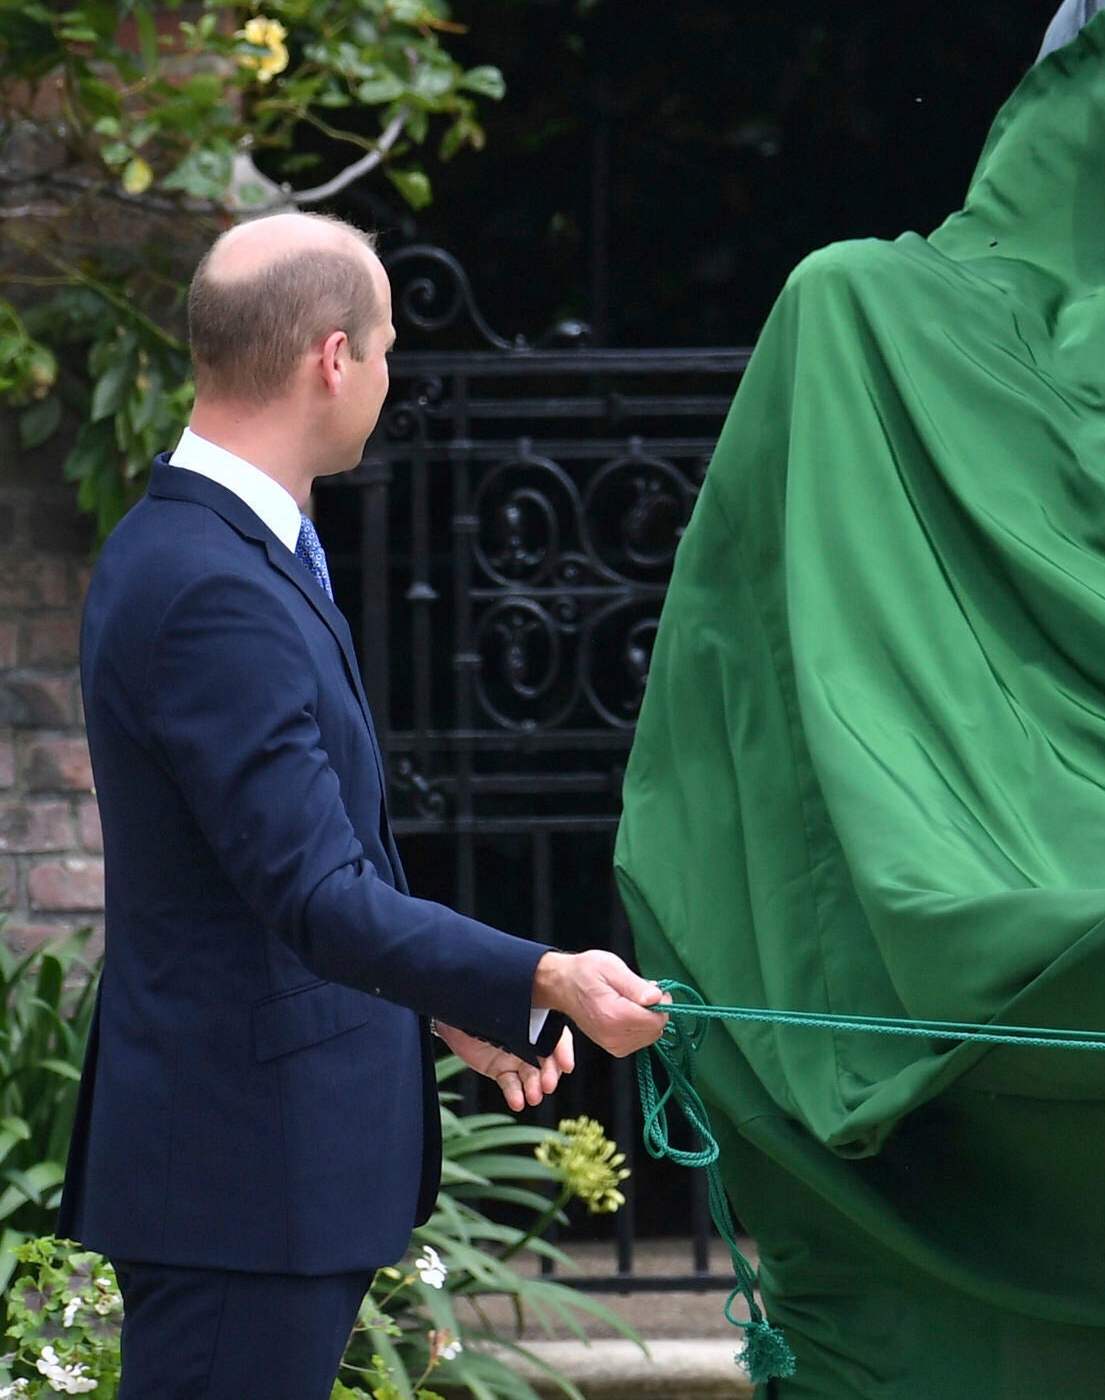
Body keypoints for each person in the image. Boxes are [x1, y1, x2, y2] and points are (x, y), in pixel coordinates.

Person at [60, 212, 673, 1400]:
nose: (390, 378)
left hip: (252, 1173)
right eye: (387, 348)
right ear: (331, 358)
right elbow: (313, 891)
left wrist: (445, 1003)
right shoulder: (209, 584)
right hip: (242, 1176)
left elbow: (279, 869)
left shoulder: (231, 547)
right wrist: (544, 974)